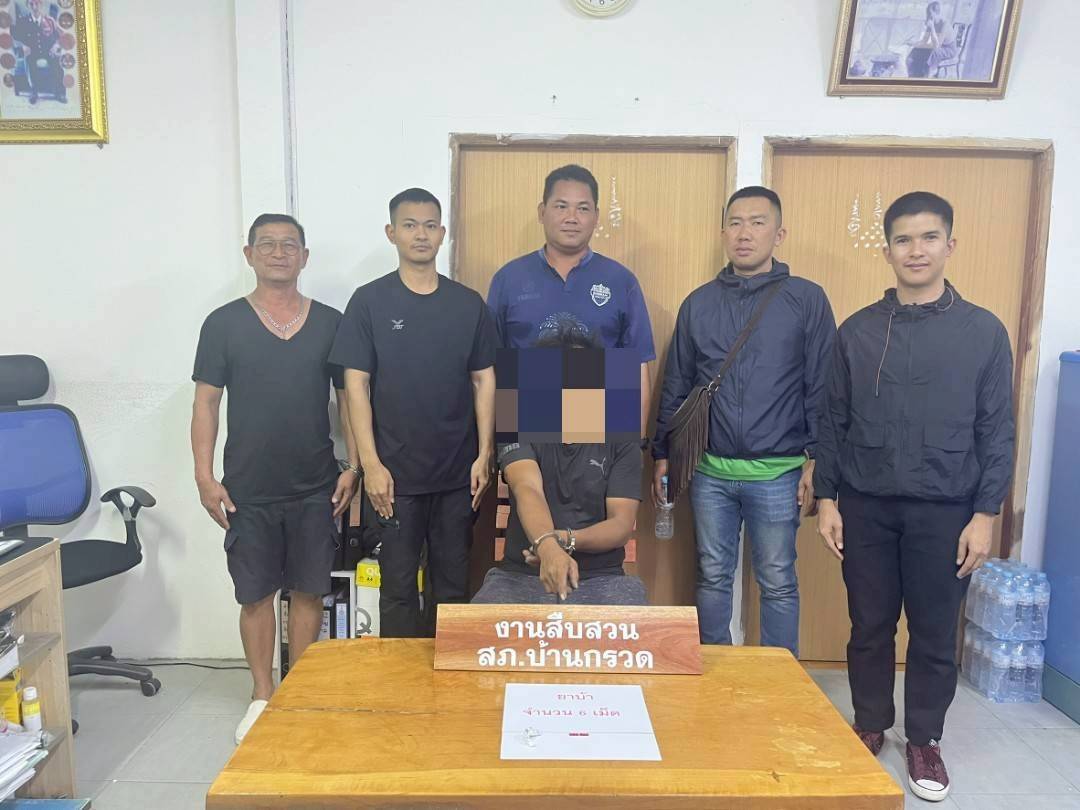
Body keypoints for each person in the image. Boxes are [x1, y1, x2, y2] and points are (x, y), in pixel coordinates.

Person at [814, 191, 1014, 803]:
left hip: (947, 509)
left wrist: (985, 514)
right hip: (867, 505)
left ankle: (924, 739)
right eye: (903, 239)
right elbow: (833, 420)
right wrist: (827, 499)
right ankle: (871, 723)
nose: (916, 250)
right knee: (869, 625)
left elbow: (997, 429)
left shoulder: (982, 332)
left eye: (929, 238)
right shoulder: (858, 331)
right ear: (887, 251)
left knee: (932, 631)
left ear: (950, 245)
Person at [191, 213, 360, 744]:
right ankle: (262, 694)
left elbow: (349, 401)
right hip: (248, 488)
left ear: (305, 257)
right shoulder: (223, 324)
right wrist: (204, 476)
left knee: (309, 591)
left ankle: (299, 692)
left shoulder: (331, 322)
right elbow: (206, 403)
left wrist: (354, 465)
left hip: (315, 484)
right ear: (249, 255)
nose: (279, 253)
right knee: (256, 595)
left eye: (290, 245)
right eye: (267, 244)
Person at [652, 186, 836, 656]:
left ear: (779, 234)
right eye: (735, 223)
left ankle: (779, 676)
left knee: (777, 579)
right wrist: (662, 454)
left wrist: (818, 461)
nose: (745, 233)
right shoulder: (699, 303)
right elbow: (677, 383)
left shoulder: (806, 299)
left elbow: (822, 387)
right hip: (709, 471)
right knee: (712, 574)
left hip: (779, 472)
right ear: (723, 233)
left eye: (757, 222)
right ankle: (714, 669)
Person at [331, 188, 496, 637]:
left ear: (442, 234)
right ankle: (401, 679)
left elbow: (484, 379)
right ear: (392, 233)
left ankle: (446, 675)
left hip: (457, 475)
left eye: (429, 225)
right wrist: (370, 466)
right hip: (394, 478)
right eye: (409, 225)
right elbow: (355, 386)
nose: (420, 234)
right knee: (398, 589)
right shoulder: (369, 302)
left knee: (452, 587)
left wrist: (484, 454)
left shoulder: (468, 304)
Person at [472, 320, 646, 605]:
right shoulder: (519, 424)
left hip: (601, 577)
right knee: (476, 628)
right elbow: (527, 487)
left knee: (642, 629)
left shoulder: (622, 439)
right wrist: (548, 549)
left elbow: (621, 523)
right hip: (521, 573)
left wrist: (562, 540)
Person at [486, 164, 655, 438]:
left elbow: (637, 369)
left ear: (596, 216)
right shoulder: (508, 279)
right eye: (561, 206)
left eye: (583, 208)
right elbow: (490, 369)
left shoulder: (621, 281)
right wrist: (497, 446)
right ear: (542, 212)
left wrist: (635, 446)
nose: (571, 218)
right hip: (526, 434)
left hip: (602, 435)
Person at [13, 0, 66, 104]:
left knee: (57, 61)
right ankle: (34, 92)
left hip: (48, 50)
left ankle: (58, 92)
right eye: (31, 4)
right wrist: (22, 46)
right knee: (29, 60)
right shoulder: (23, 21)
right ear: (28, 6)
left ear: (41, 5)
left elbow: (59, 36)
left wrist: (56, 46)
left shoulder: (49, 20)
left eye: (37, 4)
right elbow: (14, 38)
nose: (34, 7)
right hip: (32, 51)